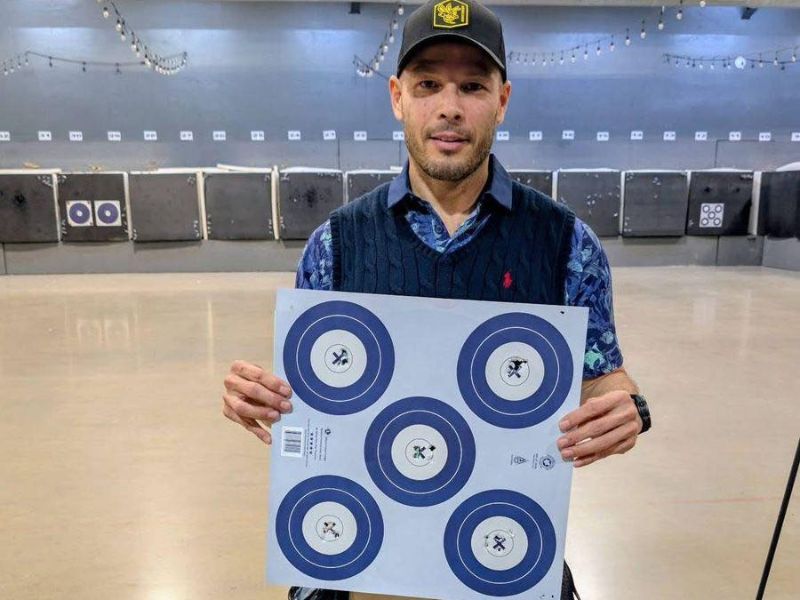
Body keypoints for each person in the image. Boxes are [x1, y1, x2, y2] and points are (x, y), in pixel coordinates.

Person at [222, 1, 652, 598]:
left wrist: (629, 408)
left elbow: (603, 376)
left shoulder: (564, 242)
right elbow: (319, 389)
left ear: (502, 100)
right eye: (428, 84)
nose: (449, 106)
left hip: (501, 552)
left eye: (473, 85)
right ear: (397, 96)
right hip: (355, 555)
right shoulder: (338, 243)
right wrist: (263, 396)